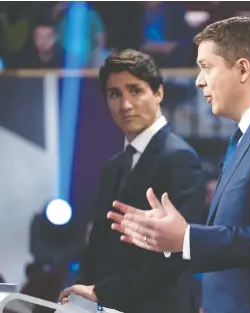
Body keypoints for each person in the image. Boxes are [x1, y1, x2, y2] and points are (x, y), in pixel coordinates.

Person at [107, 17, 250, 313]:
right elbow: (240, 236)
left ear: (242, 69)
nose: (198, 80)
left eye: (206, 67)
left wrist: (188, 237)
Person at [59, 49, 206, 313]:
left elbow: (174, 257)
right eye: (115, 94)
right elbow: (98, 246)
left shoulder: (180, 158)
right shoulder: (114, 166)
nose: (125, 104)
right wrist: (80, 295)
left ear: (158, 93)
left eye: (135, 90)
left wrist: (100, 292)